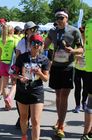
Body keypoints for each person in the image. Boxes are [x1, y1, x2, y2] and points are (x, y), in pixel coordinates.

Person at [44, 8, 83, 138]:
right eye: (57, 18)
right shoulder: (52, 31)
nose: (59, 20)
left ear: (67, 18)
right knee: (58, 96)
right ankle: (60, 120)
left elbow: (81, 49)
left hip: (68, 66)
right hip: (55, 66)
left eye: (62, 17)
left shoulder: (74, 31)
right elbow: (44, 45)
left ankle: (61, 125)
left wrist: (72, 50)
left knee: (64, 96)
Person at [14, 34, 49, 140]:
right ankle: (24, 136)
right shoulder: (22, 57)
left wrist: (39, 73)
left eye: (39, 43)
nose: (36, 45)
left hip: (36, 90)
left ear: (42, 45)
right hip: (22, 90)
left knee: (35, 120)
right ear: (30, 44)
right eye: (34, 43)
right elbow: (13, 73)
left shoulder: (44, 59)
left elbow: (46, 79)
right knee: (24, 117)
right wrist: (20, 77)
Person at [15, 21, 39, 128]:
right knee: (20, 96)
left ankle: (25, 119)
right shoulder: (22, 42)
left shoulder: (37, 41)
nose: (34, 31)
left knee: (32, 96)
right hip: (23, 71)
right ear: (27, 31)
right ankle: (22, 117)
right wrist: (16, 71)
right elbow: (17, 56)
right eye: (32, 29)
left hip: (34, 71)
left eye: (35, 29)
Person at [80, 19, 92, 140]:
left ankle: (86, 133)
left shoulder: (88, 23)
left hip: (89, 68)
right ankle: (87, 133)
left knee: (90, 101)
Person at [73, 26, 88, 113]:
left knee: (86, 87)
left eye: (83, 33)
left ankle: (84, 103)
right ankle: (77, 105)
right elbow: (72, 53)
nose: (83, 35)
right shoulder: (77, 43)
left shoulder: (89, 42)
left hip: (87, 68)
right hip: (78, 68)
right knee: (77, 88)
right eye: (81, 33)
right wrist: (76, 56)